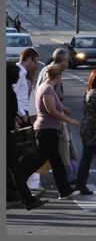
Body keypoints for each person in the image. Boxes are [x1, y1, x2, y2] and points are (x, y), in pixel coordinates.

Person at [20, 64, 80, 199]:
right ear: (58, 76)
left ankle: (65, 191)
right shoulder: (47, 89)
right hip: (46, 130)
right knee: (37, 160)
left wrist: (62, 107)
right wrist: (70, 120)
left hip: (49, 129)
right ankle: (17, 185)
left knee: (56, 161)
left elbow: (52, 106)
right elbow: (51, 111)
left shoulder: (46, 88)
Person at [7, 64, 47, 211]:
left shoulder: (7, 91)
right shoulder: (7, 92)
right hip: (6, 134)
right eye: (16, 75)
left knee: (11, 168)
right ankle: (27, 199)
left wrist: (14, 119)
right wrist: (13, 123)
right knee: (15, 168)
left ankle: (16, 196)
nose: (19, 78)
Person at [14, 48, 40, 124]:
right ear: (29, 59)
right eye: (35, 62)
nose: (35, 66)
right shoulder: (19, 74)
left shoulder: (19, 73)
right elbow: (12, 96)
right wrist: (23, 114)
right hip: (20, 115)